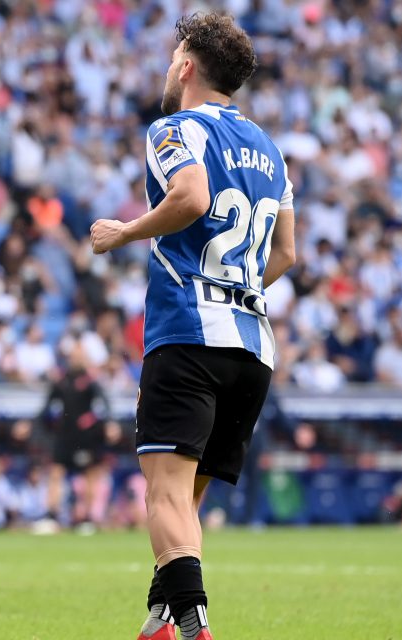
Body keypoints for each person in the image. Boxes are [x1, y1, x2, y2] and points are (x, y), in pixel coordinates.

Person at [90, 13, 297, 640]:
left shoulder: (174, 128)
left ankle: (192, 625)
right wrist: (240, 288)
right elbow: (286, 253)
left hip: (188, 334)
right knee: (187, 501)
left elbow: (191, 198)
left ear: (186, 66)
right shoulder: (268, 147)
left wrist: (124, 232)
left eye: (172, 54)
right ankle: (159, 621)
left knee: (166, 497)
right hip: (252, 346)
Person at [40, 344, 121, 535]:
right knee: (55, 474)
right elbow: (46, 408)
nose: (75, 360)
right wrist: (40, 426)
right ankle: (51, 517)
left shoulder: (90, 381)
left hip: (86, 438)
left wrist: (109, 423)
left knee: (90, 477)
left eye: (79, 356)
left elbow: (104, 404)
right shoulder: (61, 381)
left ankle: (87, 519)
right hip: (64, 437)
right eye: (73, 356)